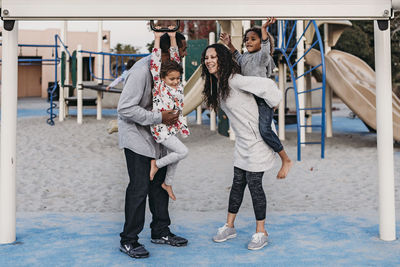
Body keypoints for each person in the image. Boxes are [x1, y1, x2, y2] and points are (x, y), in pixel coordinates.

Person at [201, 43, 282, 250]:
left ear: (222, 59)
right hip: (243, 142)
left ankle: (261, 232)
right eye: (206, 57)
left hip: (258, 140)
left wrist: (274, 103)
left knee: (254, 184)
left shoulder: (234, 80)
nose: (209, 60)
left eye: (213, 57)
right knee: (238, 182)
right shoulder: (218, 85)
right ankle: (230, 226)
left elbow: (267, 86)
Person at [117, 30, 188, 259]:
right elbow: (125, 108)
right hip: (137, 136)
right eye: (181, 50)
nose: (183, 54)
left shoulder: (170, 70)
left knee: (159, 186)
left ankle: (160, 231)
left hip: (158, 134)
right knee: (139, 187)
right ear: (165, 53)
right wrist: (160, 117)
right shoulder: (140, 72)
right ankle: (128, 240)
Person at [220, 18, 293, 179]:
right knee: (253, 131)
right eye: (246, 40)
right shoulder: (245, 57)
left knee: (265, 130)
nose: (248, 42)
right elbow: (236, 55)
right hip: (249, 99)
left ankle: (285, 159)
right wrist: (228, 43)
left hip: (262, 99)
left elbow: (266, 47)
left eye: (253, 39)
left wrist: (265, 28)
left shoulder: (262, 56)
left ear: (261, 41)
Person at [149, 28, 190, 201]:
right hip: (160, 127)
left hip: (172, 126)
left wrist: (173, 38)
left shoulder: (178, 84)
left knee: (174, 158)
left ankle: (168, 183)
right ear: (164, 77)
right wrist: (157, 39)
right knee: (183, 151)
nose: (175, 82)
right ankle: (155, 164)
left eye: (177, 78)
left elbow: (175, 58)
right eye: (171, 79)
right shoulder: (159, 83)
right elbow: (156, 60)